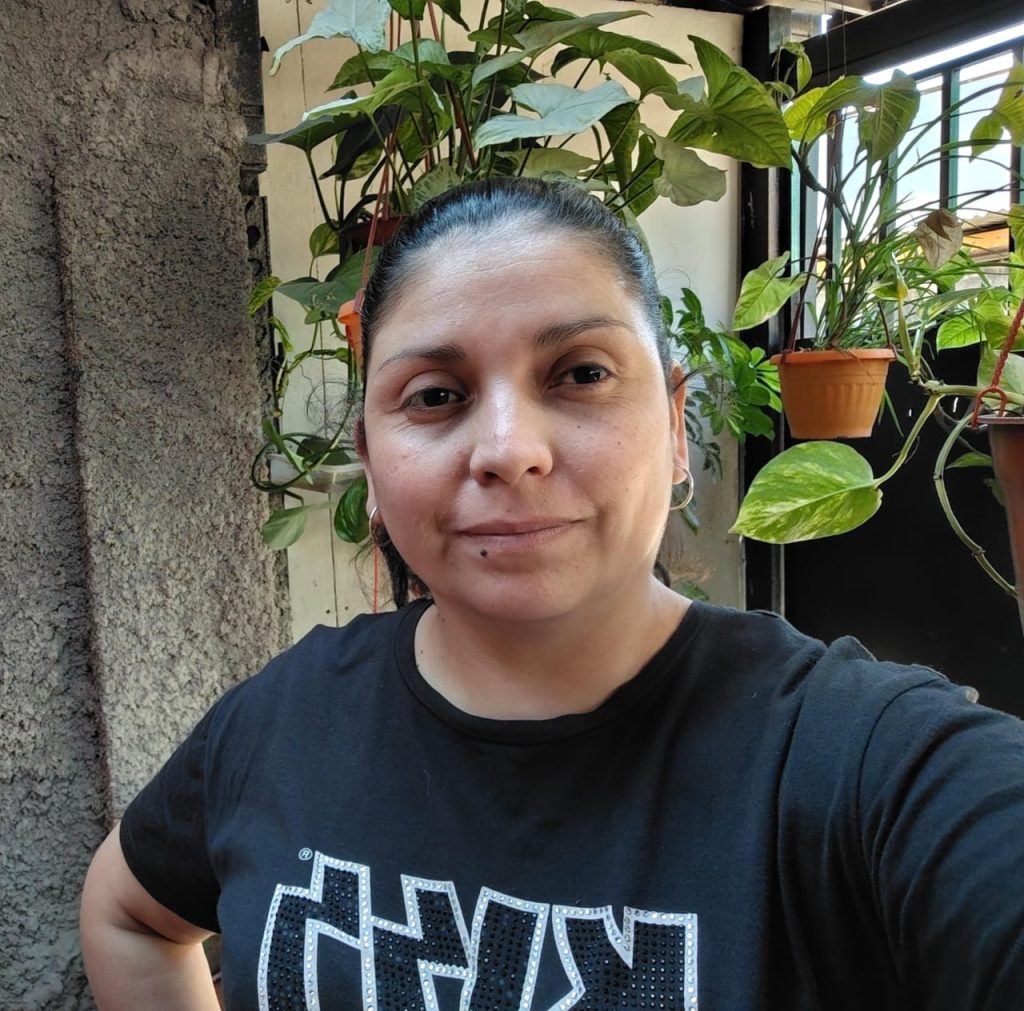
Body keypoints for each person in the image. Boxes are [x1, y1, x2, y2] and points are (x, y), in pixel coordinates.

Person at [80, 178, 1024, 1011]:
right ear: (368, 456)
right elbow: (127, 911)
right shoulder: (282, 722)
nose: (508, 449)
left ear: (676, 425)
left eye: (581, 374)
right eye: (436, 395)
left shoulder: (859, 766)